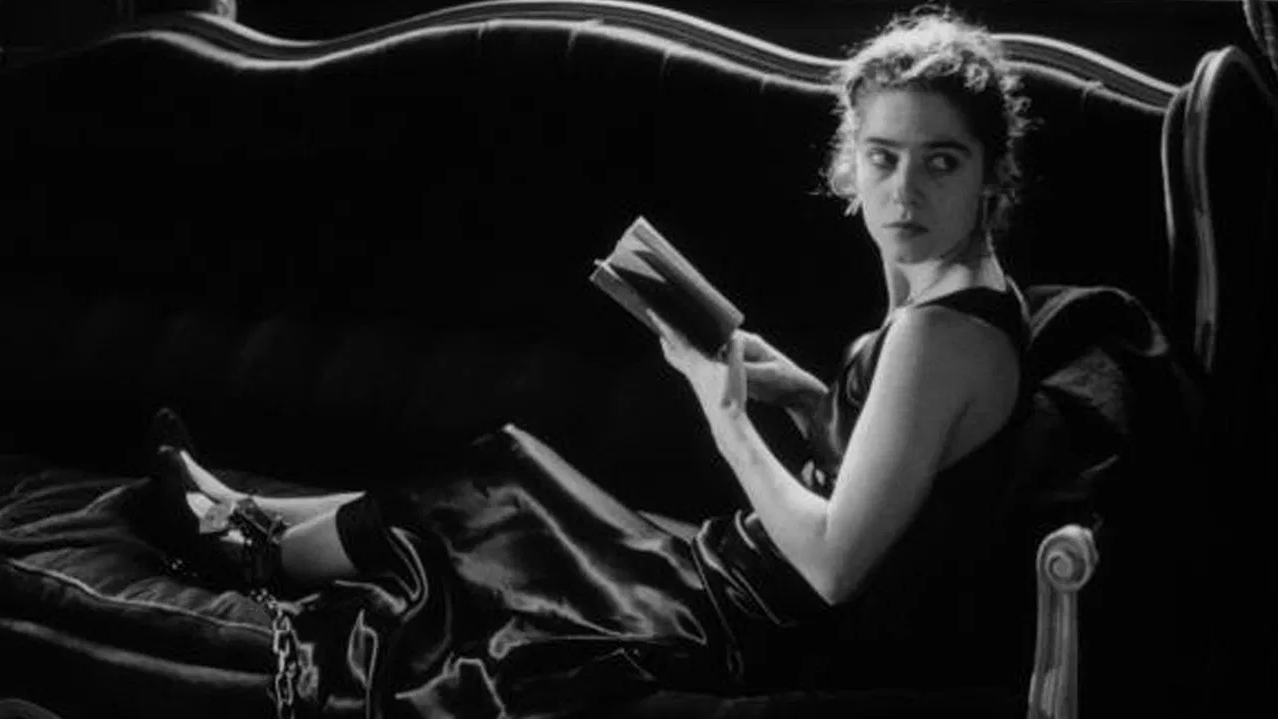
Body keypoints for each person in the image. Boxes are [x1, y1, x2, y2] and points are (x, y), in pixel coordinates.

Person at [137, 6, 1036, 712]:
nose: (903, 191)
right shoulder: (959, 295)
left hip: (757, 629)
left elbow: (837, 568)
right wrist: (802, 395)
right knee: (497, 478)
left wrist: (725, 411)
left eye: (940, 162)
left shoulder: (939, 333)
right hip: (752, 583)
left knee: (502, 478)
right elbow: (900, 478)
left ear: (991, 174)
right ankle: (251, 514)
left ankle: (249, 551)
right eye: (882, 157)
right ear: (850, 167)